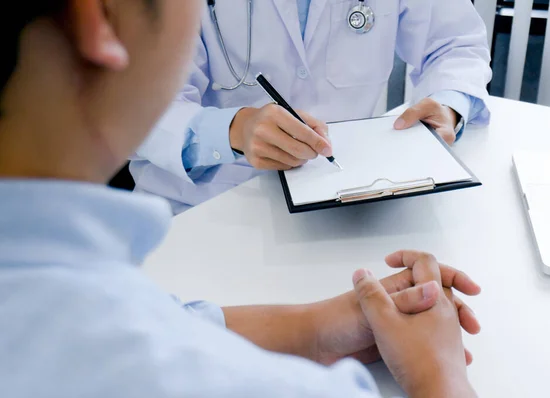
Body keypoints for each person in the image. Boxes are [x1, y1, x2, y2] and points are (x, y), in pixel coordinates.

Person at [0, 1, 481, 397]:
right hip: (204, 218)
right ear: (99, 20)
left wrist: (317, 327)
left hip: (347, 221)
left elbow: (456, 43)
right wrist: (436, 379)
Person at [131, 0, 493, 213]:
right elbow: (134, 102)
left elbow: (455, 44)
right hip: (207, 205)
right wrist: (232, 131)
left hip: (345, 197)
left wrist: (448, 105)